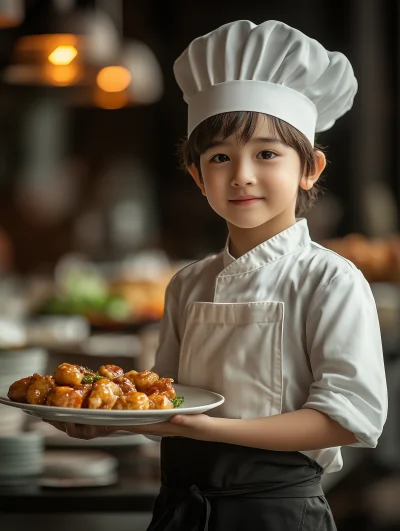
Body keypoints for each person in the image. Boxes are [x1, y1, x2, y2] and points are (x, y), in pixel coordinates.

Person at [47, 20, 388, 530]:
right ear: (197, 176)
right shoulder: (188, 283)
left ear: (311, 168)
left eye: (267, 154)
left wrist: (211, 430)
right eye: (220, 157)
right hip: (182, 509)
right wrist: (105, 424)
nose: (242, 174)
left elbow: (346, 418)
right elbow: (168, 402)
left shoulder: (330, 281)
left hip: (276, 512)